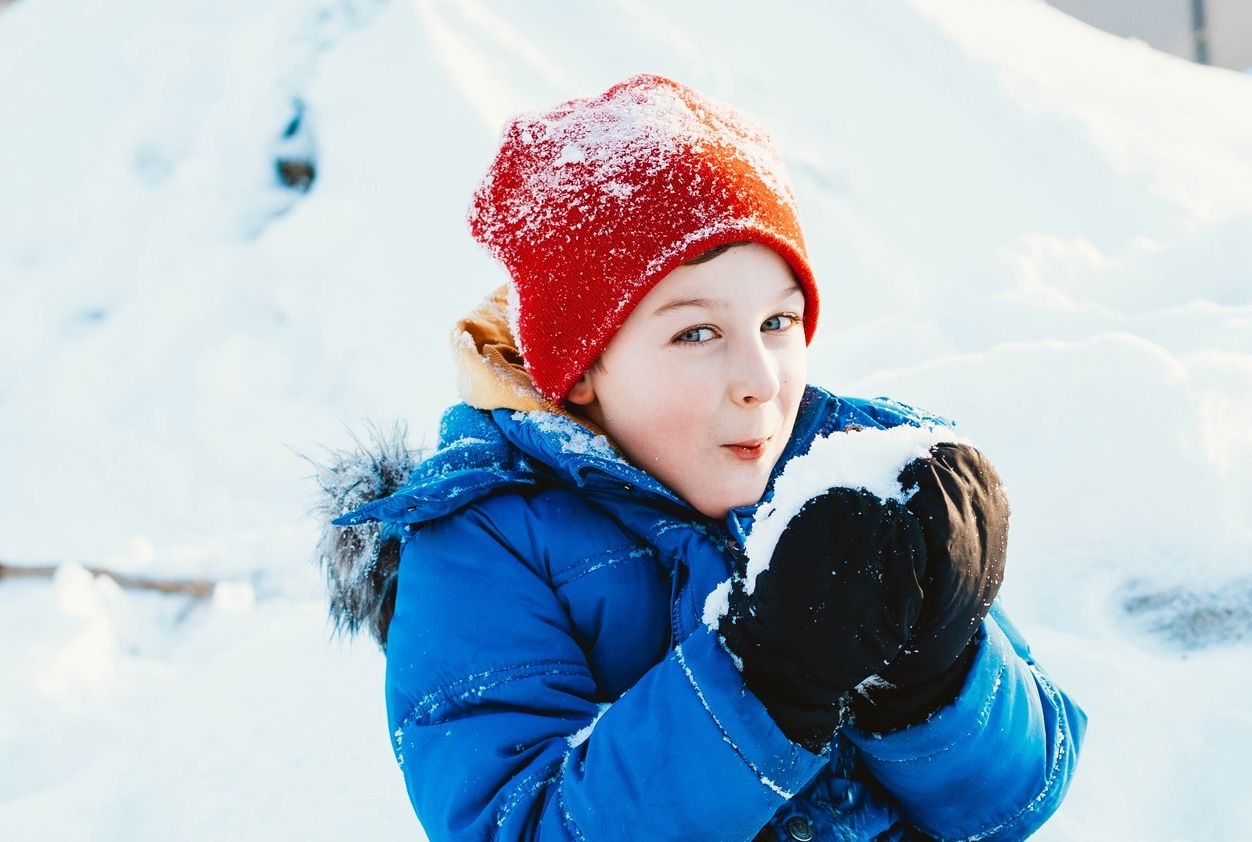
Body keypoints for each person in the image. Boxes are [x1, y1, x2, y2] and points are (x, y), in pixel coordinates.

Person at [317, 74, 1086, 841]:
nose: (760, 381)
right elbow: (517, 825)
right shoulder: (484, 543)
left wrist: (936, 673)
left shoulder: (858, 472)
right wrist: (764, 684)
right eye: (697, 333)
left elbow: (1018, 798)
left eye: (778, 323)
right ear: (578, 367)